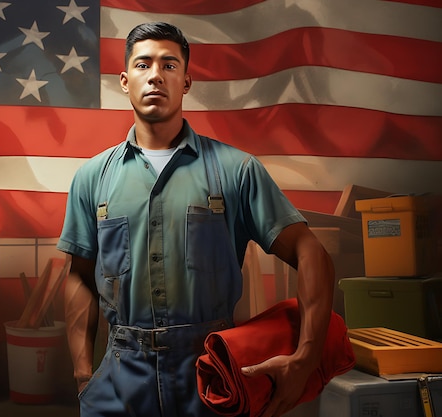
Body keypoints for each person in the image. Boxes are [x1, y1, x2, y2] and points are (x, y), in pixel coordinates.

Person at [57, 21, 335, 417]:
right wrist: (84, 375)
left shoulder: (236, 170)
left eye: (169, 65)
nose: (155, 75)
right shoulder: (92, 177)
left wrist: (306, 357)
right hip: (117, 380)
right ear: (124, 80)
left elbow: (311, 253)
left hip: (209, 375)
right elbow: (80, 276)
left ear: (186, 81)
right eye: (143, 65)